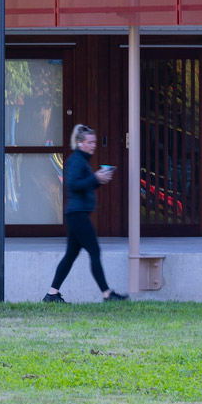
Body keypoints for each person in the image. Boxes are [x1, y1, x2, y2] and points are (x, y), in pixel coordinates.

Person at [45, 124, 128, 302]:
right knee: (94, 251)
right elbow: (73, 185)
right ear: (80, 143)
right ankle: (107, 294)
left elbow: (84, 184)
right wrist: (95, 178)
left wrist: (99, 179)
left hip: (77, 213)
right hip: (77, 214)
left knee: (70, 256)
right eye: (90, 142)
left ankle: (52, 294)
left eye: (95, 142)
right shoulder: (76, 160)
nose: (93, 145)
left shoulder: (82, 160)